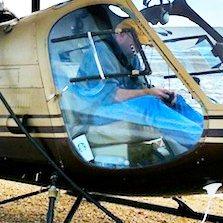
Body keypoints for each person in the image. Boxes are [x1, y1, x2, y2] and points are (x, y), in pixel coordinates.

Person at [74, 18, 203, 153]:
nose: (139, 47)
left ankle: (209, 133)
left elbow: (139, 85)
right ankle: (197, 142)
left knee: (175, 101)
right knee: (149, 104)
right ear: (121, 35)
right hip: (91, 111)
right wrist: (149, 93)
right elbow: (110, 95)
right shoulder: (101, 52)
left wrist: (160, 93)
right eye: (136, 42)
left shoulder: (130, 56)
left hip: (113, 105)